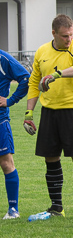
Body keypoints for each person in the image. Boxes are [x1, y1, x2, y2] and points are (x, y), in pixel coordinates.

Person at [25, 14, 73, 221]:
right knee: (51, 158)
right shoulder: (42, 51)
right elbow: (34, 82)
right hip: (49, 111)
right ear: (53, 33)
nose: (69, 39)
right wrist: (29, 112)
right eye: (65, 36)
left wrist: (57, 74)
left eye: (71, 34)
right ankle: (56, 207)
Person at [0, 50, 29, 219]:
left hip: (0, 121)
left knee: (6, 163)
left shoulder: (3, 59)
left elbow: (25, 78)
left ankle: (13, 209)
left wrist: (10, 100)